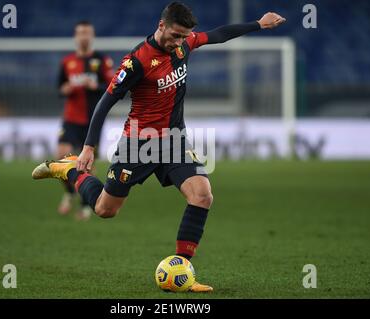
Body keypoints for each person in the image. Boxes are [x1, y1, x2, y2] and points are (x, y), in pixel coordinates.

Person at [33, 2, 285, 292]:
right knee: (105, 210)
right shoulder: (137, 61)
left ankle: (183, 272)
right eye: (175, 35)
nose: (178, 42)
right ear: (161, 25)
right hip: (137, 144)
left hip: (174, 141)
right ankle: (68, 169)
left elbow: (219, 34)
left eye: (183, 37)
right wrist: (89, 147)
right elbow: (105, 101)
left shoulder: (184, 45)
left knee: (202, 195)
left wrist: (259, 24)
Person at [56, 21, 114, 220]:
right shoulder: (67, 62)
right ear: (75, 36)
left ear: (92, 35)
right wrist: (65, 89)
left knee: (87, 163)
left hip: (92, 120)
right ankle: (70, 192)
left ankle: (85, 205)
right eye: (80, 33)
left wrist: (94, 85)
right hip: (71, 117)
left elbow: (112, 87)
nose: (83, 36)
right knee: (62, 155)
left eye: (87, 33)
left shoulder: (102, 60)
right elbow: (59, 88)